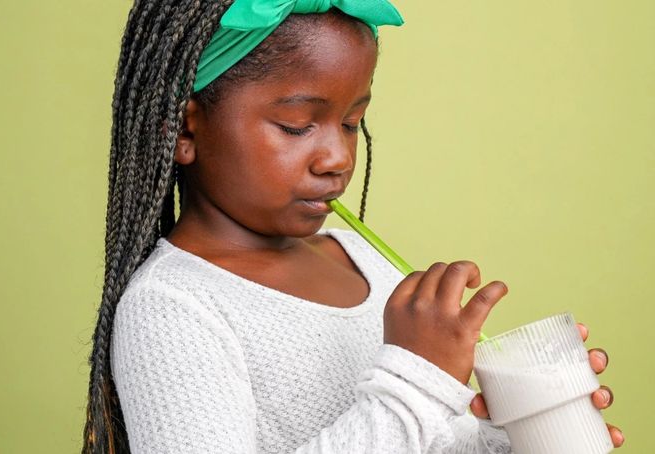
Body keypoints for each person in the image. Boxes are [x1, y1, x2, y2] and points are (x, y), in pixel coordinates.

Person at [81, 1, 625, 452]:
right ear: (182, 127)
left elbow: (418, 437)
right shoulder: (174, 306)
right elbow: (404, 407)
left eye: (351, 123)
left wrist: (518, 435)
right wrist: (416, 378)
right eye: (297, 126)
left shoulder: (361, 260)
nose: (338, 157)